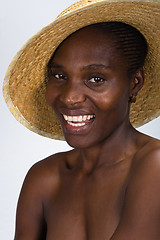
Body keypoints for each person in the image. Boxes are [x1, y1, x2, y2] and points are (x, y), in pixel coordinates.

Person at [3, 0, 160, 239]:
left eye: (96, 79)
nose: (70, 97)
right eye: (60, 75)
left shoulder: (154, 165)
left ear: (134, 83)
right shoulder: (44, 178)